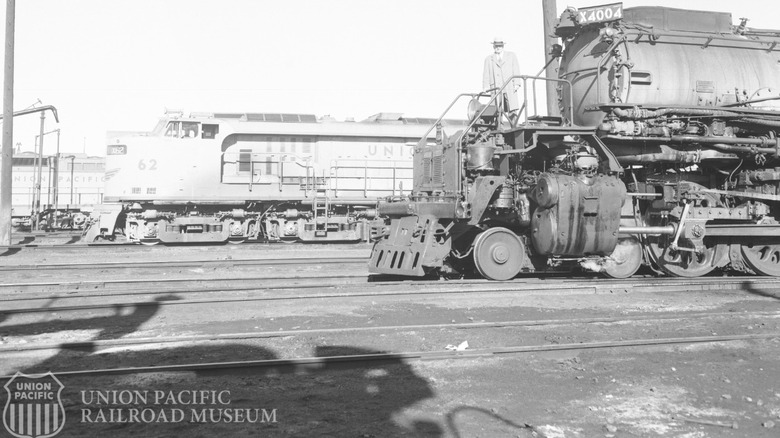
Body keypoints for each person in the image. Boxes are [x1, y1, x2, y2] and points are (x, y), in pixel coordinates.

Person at [483, 36, 521, 120]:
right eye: (496, 46)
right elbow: (486, 74)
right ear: (493, 46)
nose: (498, 47)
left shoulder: (511, 55)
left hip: (509, 86)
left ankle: (514, 127)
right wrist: (486, 87)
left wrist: (517, 83)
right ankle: (500, 128)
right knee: (497, 109)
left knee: (512, 108)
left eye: (500, 46)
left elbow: (516, 69)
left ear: (503, 46)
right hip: (496, 88)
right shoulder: (489, 59)